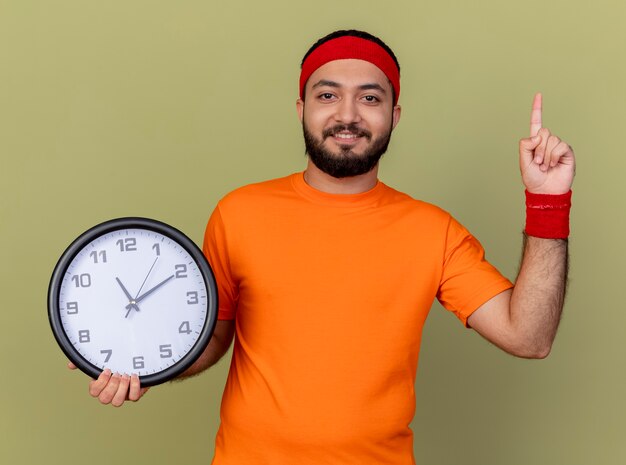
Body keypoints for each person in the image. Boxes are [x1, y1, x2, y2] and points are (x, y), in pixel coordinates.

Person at [70, 30, 575, 464]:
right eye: (328, 95)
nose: (348, 115)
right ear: (302, 107)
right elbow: (212, 339)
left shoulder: (433, 230)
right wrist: (136, 360)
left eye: (370, 98)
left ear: (395, 114)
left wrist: (547, 202)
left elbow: (528, 337)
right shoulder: (238, 212)